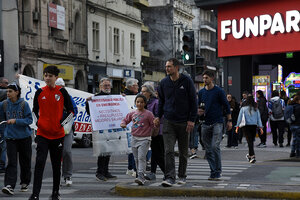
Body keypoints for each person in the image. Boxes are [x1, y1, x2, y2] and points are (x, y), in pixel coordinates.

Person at [29, 66, 74, 200]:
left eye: (50, 76)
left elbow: (72, 112)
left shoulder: (62, 92)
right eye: (45, 75)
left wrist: (61, 124)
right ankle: (35, 194)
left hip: (57, 135)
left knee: (56, 165)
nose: (47, 78)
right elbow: (34, 111)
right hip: (42, 134)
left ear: (56, 77)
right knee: (39, 163)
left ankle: (55, 193)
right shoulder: (39, 92)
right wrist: (38, 124)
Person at [156, 58, 197, 187]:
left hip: (184, 122)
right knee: (168, 150)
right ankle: (169, 177)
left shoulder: (187, 81)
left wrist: (191, 120)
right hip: (169, 121)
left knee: (183, 152)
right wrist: (158, 116)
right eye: (166, 66)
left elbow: (193, 102)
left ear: (176, 67)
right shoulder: (163, 83)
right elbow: (161, 101)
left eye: (169, 66)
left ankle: (182, 175)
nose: (167, 69)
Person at [198, 70, 232, 181]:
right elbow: (199, 106)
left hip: (217, 122)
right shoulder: (201, 92)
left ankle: (218, 171)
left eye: (206, 78)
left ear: (212, 78)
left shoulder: (219, 91)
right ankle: (213, 171)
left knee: (215, 146)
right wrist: (199, 112)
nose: (204, 80)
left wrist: (229, 120)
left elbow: (226, 106)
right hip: (205, 123)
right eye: (203, 78)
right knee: (208, 149)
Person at [0, 83, 33, 195]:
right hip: (10, 138)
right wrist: (4, 132)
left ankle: (24, 182)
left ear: (17, 92)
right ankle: (9, 185)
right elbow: (1, 119)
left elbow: (29, 120)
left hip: (25, 137)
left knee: (25, 162)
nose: (8, 93)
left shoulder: (24, 104)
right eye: (7, 91)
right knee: (12, 162)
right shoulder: (4, 104)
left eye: (10, 91)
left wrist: (16, 121)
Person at [120, 94, 158, 185]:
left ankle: (141, 176)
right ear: (135, 103)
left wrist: (156, 125)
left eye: (142, 102)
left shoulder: (149, 114)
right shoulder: (132, 113)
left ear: (145, 103)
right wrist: (123, 124)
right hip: (134, 138)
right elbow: (125, 120)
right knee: (136, 158)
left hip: (145, 139)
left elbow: (153, 125)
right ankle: (139, 174)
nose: (139, 104)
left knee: (141, 157)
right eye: (138, 102)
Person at [86, 77, 117, 181]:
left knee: (108, 150)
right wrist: (88, 103)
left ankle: (106, 171)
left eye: (108, 85)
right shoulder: (95, 98)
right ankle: (99, 172)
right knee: (101, 151)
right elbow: (89, 112)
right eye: (105, 85)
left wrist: (122, 99)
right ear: (100, 87)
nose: (107, 87)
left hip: (109, 128)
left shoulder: (112, 97)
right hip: (100, 129)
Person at [55, 78, 78, 186]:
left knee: (67, 151)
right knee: (56, 153)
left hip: (67, 130)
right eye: (58, 87)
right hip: (54, 129)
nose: (60, 89)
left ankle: (67, 175)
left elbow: (74, 111)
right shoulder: (52, 97)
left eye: (62, 87)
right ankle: (57, 175)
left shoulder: (68, 98)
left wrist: (64, 121)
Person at [141, 84, 165, 181]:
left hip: (157, 132)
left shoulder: (155, 102)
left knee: (158, 153)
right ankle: (153, 173)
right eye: (141, 91)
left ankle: (168, 173)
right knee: (154, 153)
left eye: (144, 92)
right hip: (148, 132)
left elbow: (160, 117)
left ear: (149, 93)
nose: (142, 93)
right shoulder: (144, 103)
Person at [235, 95, 263, 163]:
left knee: (249, 141)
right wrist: (260, 127)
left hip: (246, 126)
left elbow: (239, 118)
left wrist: (237, 126)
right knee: (251, 141)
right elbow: (258, 118)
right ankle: (251, 155)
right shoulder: (256, 109)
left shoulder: (243, 109)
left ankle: (252, 156)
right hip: (254, 126)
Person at [123, 78, 139, 177]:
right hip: (130, 124)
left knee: (133, 147)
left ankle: (131, 167)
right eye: (136, 85)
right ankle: (132, 167)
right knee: (133, 147)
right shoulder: (126, 96)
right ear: (132, 86)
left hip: (135, 124)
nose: (138, 87)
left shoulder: (135, 96)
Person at [0, 77, 9, 173]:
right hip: (1, 122)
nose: (7, 84)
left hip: (3, 121)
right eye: (6, 83)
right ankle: (2, 165)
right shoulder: (3, 93)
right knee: (3, 144)